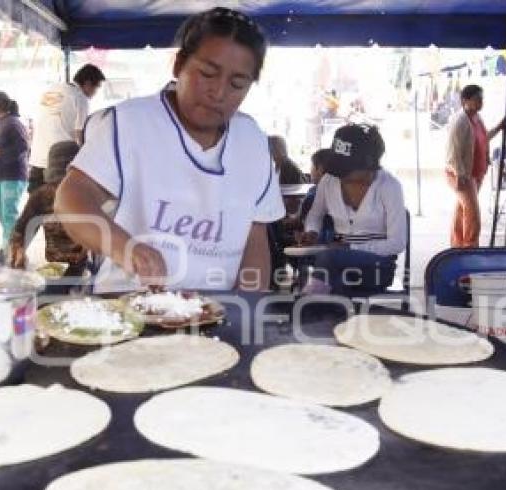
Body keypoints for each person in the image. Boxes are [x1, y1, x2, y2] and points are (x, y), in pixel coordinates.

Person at [55, 7, 284, 292]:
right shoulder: (128, 124)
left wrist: (247, 310)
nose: (219, 92)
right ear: (178, 66)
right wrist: (125, 248)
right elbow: (72, 197)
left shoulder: (252, 141)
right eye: (208, 74)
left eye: (237, 84)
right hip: (129, 310)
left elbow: (255, 236)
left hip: (216, 313)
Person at [298, 123, 407, 296]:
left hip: (378, 269)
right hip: (338, 265)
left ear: (369, 165)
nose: (339, 174)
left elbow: (397, 243)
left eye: (346, 168)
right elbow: (315, 215)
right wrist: (312, 231)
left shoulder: (389, 186)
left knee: (330, 261)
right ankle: (322, 311)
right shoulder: (329, 181)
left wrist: (352, 248)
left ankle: (306, 306)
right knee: (334, 278)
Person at [10, 141, 88, 290]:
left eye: (65, 182)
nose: (59, 188)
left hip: (83, 269)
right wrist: (18, 250)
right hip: (54, 270)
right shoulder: (41, 196)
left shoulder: (89, 196)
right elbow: (21, 229)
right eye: (56, 182)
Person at [444, 84, 506, 247]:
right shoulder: (460, 121)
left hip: (476, 173)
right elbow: (454, 151)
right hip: (463, 174)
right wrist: (459, 174)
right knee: (473, 215)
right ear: (466, 100)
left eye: (481, 99)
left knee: (462, 210)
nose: (481, 102)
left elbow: (483, 138)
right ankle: (470, 247)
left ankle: (457, 245)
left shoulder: (477, 119)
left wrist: (499, 127)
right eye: (477, 99)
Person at [29, 63, 105, 193]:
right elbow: (79, 133)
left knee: (35, 205)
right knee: (57, 205)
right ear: (87, 83)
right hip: (58, 162)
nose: (95, 93)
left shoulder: (50, 89)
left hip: (37, 157)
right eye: (96, 88)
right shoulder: (80, 97)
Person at [0, 91, 30, 262]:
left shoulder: (14, 123)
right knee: (2, 214)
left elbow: (23, 147)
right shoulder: (0, 124)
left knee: (9, 214)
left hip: (12, 176)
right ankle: (7, 248)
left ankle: (10, 251)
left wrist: (0, 153)